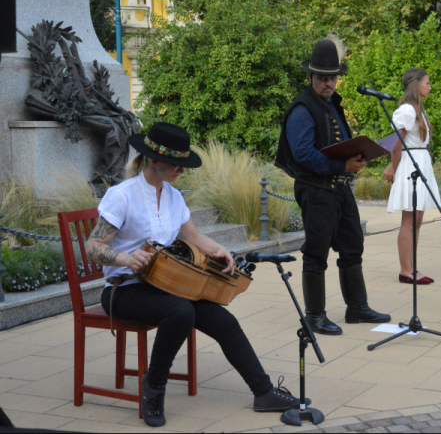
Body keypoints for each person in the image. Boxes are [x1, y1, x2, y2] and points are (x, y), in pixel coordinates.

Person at [86, 123, 306, 428]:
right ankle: (154, 388)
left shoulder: (174, 196)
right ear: (154, 160)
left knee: (223, 320)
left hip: (168, 283)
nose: (181, 170)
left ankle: (264, 392)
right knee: (181, 312)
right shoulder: (122, 195)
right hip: (124, 290)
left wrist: (221, 249)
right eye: (177, 164)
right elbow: (92, 247)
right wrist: (125, 257)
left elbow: (193, 236)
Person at [275, 39, 391, 336]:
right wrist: (342, 166)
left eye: (332, 78)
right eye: (323, 78)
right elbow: (302, 154)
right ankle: (314, 316)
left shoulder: (331, 105)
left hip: (339, 189)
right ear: (311, 78)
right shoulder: (302, 109)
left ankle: (357, 307)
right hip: (316, 190)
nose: (329, 83)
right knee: (316, 253)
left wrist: (357, 157)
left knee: (353, 246)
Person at [382, 69, 441, 285]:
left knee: (417, 220)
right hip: (410, 165)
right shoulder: (406, 110)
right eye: (427, 82)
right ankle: (405, 270)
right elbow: (396, 145)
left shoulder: (418, 110)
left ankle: (412, 267)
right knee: (409, 220)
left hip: (421, 163)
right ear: (416, 84)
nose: (430, 86)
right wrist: (393, 168)